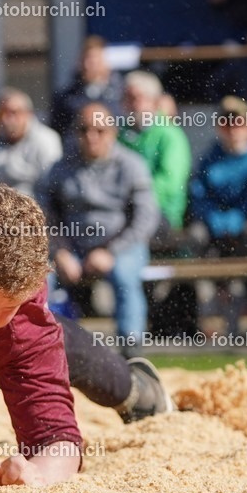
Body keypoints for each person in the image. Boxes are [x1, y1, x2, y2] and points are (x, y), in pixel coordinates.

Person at [39, 102, 160, 353]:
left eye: (99, 130)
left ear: (113, 132)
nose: (91, 136)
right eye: (84, 130)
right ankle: (41, 347)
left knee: (125, 276)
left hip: (122, 247)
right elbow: (46, 215)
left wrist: (111, 251)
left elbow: (145, 219)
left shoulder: (131, 165)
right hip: (71, 248)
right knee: (38, 278)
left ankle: (131, 350)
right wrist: (60, 251)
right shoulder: (61, 167)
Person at [187, 97, 247, 335]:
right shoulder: (209, 158)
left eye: (238, 123)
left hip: (246, 234)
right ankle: (206, 304)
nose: (232, 129)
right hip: (213, 231)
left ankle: (242, 305)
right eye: (226, 123)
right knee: (195, 237)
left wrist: (234, 221)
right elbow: (199, 195)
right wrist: (215, 220)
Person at [118, 71, 191, 245]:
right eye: (127, 98)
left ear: (155, 101)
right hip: (124, 211)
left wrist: (135, 200)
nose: (132, 104)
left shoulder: (170, 135)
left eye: (137, 97)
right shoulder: (118, 135)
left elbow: (170, 183)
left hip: (161, 213)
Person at [0, 87, 61, 199]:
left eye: (13, 113)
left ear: (28, 114)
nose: (7, 119)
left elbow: (51, 187)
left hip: (36, 208)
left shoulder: (46, 140)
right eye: (2, 113)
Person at [49, 36, 124, 139]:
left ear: (105, 63)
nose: (87, 66)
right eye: (85, 59)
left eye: (94, 61)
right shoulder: (66, 99)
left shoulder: (121, 95)